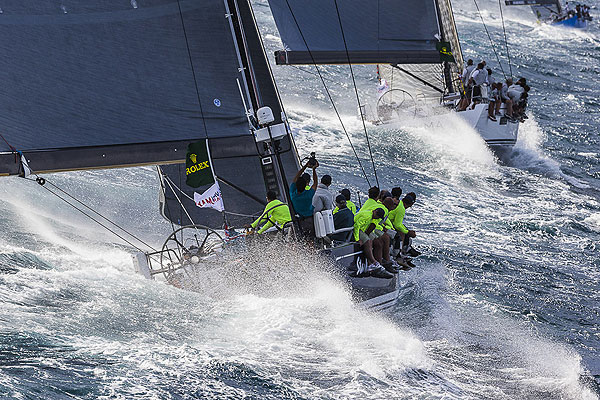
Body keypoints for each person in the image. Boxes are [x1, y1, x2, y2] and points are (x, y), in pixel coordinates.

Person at [353, 207, 394, 278]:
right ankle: (373, 262)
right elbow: (356, 226)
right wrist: (357, 239)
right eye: (377, 216)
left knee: (377, 241)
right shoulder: (367, 216)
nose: (377, 218)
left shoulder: (374, 217)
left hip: (363, 229)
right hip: (356, 229)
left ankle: (378, 265)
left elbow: (372, 226)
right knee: (368, 241)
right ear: (374, 212)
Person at [290, 160, 318, 236]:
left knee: (296, 240)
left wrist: (305, 166)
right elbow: (315, 183)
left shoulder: (292, 194)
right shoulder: (309, 194)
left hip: (297, 221)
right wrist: (314, 169)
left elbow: (296, 178)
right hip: (309, 220)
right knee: (310, 240)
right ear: (306, 185)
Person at [389, 192, 420, 261]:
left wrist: (407, 230)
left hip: (389, 222)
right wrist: (408, 232)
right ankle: (398, 254)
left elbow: (396, 222)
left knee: (403, 230)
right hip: (386, 224)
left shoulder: (399, 203)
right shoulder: (401, 208)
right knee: (402, 232)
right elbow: (397, 225)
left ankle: (403, 250)